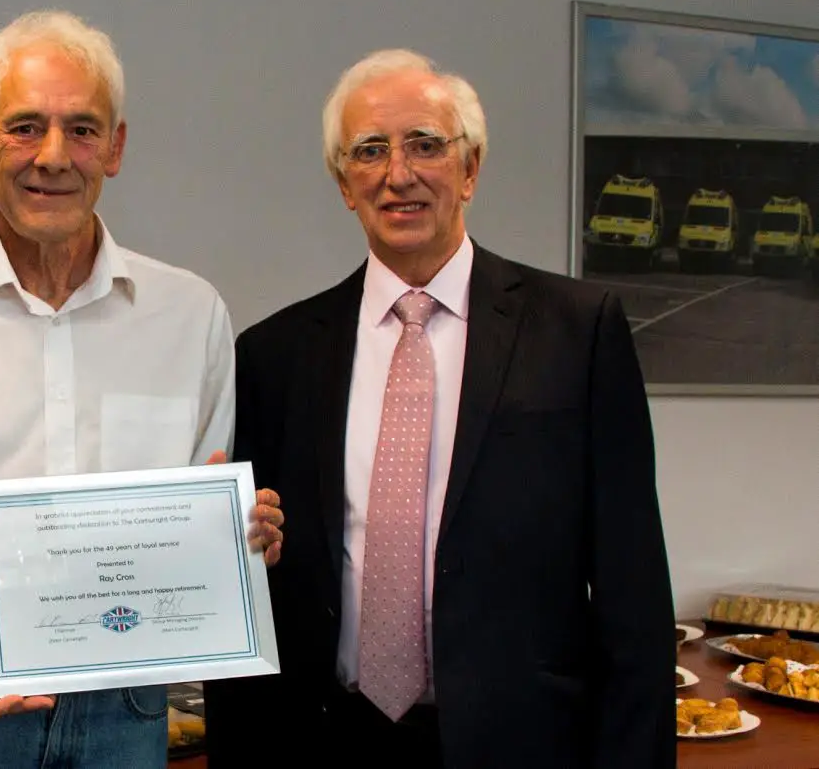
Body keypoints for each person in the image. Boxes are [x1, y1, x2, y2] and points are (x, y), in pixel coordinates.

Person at [0, 10, 283, 769]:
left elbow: (195, 513)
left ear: (117, 147)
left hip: (128, 715)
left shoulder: (189, 314)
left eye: (83, 129)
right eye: (25, 126)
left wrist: (235, 537)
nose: (54, 156)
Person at [204, 49, 673, 768]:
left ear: (470, 167)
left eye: (425, 144)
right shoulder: (273, 354)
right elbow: (254, 575)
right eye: (369, 151)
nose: (399, 173)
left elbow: (632, 589)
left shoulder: (577, 332)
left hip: (523, 741)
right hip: (327, 738)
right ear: (342, 182)